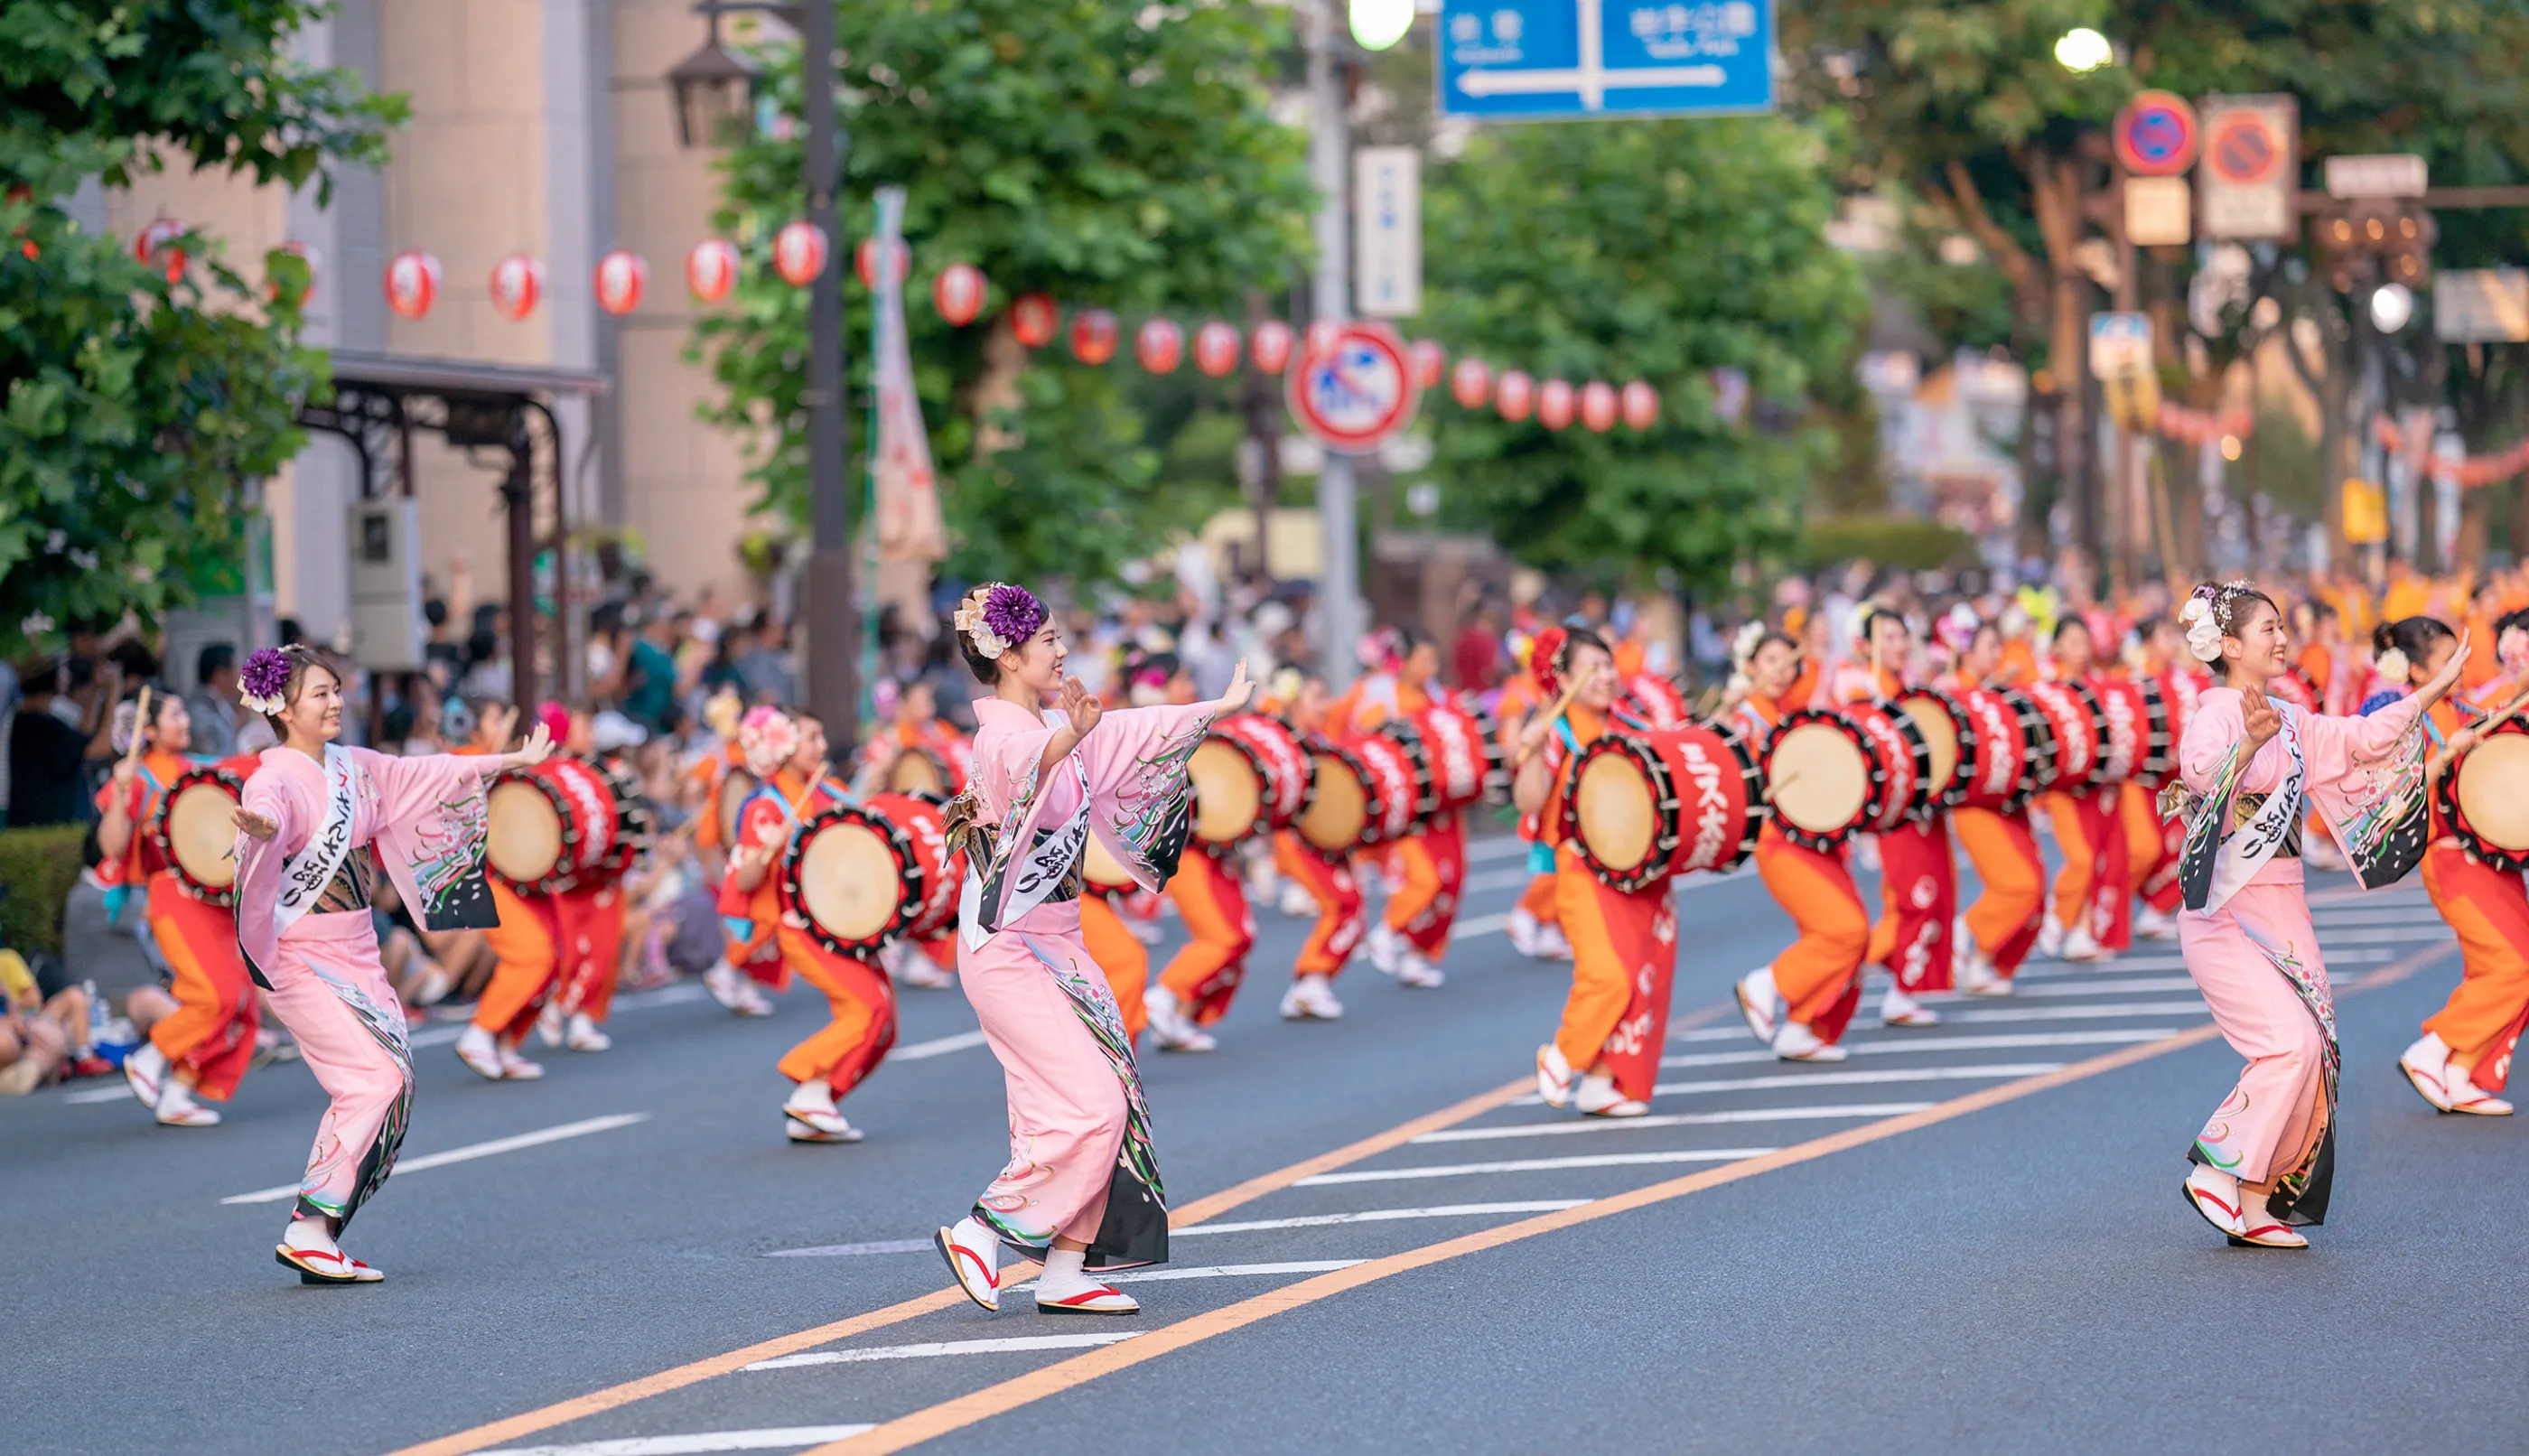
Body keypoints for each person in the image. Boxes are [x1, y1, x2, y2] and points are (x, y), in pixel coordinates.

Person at [934, 583, 1250, 1318]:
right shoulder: (1005, 738)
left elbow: (1131, 734)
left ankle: (1065, 1269)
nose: (1062, 649)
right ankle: (982, 1230)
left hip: (1059, 942)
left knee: (1106, 1095)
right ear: (1008, 656)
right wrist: (1067, 738)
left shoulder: (1055, 725)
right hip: (1008, 948)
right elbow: (1032, 761)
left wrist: (1214, 711)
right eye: (1048, 641)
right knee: (1092, 1106)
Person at [231, 645, 552, 1283]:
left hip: (358, 954)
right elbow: (270, 814)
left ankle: (319, 1228)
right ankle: (308, 1225)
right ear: (284, 707)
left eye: (335, 690)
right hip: (301, 957)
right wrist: (262, 829)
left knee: (395, 1084)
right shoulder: (273, 780)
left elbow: (427, 776)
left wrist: (508, 761)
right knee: (372, 1079)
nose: (335, 702)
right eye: (321, 692)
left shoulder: (355, 767)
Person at [2170, 583, 2449, 1250]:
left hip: (2284, 904)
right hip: (2225, 912)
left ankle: (2258, 1198)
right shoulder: (2214, 716)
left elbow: (2362, 739)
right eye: (2268, 628)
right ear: (2230, 646)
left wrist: (2432, 691)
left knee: (2318, 1051)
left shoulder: (2292, 719)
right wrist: (2246, 747)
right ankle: (2219, 1168)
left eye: (2281, 626)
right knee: (2288, 1043)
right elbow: (2203, 781)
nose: (2281, 637)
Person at [1513, 627, 1668, 1116]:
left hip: (1635, 866)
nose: (1605, 677)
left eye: (1608, 666)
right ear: (1562, 678)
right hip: (1579, 865)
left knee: (1642, 974)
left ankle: (1605, 1081)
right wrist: (1534, 751)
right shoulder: (1555, 728)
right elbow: (1530, 802)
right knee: (1607, 975)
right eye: (1592, 668)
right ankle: (1564, 1056)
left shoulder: (1629, 721)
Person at [723, 706, 896, 1142]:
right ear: (783, 746)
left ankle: (816, 1098)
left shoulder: (827, 790)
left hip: (839, 922)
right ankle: (806, 1077)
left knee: (883, 1017)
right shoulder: (765, 806)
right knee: (868, 1006)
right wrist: (768, 848)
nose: (821, 746)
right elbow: (744, 878)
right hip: (800, 926)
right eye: (812, 738)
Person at [2381, 616, 2529, 1115]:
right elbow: (2395, 797)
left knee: (2509, 966)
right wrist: (2447, 755)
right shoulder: (2400, 717)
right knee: (2514, 967)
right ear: (2417, 672)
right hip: (2451, 860)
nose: (2459, 669)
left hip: (2487, 858)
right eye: (2448, 661)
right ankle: (2435, 1048)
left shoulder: (2452, 706)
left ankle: (2462, 1072)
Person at [95, 693, 262, 1125]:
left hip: (215, 901)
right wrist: (122, 790)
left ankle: (178, 1091)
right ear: (147, 730)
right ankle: (152, 1055)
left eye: (183, 711)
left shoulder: (197, 767)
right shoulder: (138, 776)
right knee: (215, 993)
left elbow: (251, 770)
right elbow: (111, 846)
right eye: (173, 714)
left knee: (240, 1000)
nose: (184, 719)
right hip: (172, 898)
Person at [1946, 621, 2046, 996]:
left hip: (2007, 801)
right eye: (1990, 647)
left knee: (2034, 890)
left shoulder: (1999, 692)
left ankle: (1984, 963)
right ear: (1967, 653)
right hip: (1974, 803)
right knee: (2017, 886)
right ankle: (1967, 932)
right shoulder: (1953, 694)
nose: (1997, 655)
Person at [1364, 632, 1460, 990]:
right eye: (1423, 660)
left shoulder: (1441, 697)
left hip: (1444, 804)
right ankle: (1388, 932)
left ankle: (1419, 955)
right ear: (1403, 661)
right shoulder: (1385, 698)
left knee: (1451, 883)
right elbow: (1367, 741)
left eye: (1433, 661)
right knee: (1425, 879)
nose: (1430, 669)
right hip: (1410, 809)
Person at [2036, 617, 2125, 963]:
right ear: (2057, 647)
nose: (2081, 648)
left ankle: (2083, 932)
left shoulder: (2101, 684)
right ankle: (2058, 917)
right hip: (2063, 790)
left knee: (2101, 858)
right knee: (2082, 858)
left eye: (2084, 640)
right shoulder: (2048, 688)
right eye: (2072, 641)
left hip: (2097, 787)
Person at [1274, 676, 1357, 1022]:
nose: (1324, 706)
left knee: (1348, 905)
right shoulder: (1281, 741)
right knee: (1343, 903)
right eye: (1316, 697)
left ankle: (1312, 982)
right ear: (1293, 702)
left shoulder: (1318, 738)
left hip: (1321, 840)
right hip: (1296, 839)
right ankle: (1311, 980)